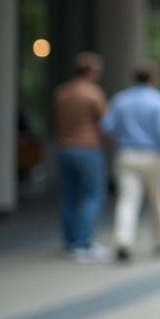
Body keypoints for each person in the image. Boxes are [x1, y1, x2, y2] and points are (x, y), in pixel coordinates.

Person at [100, 60, 160, 261]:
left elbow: (107, 127)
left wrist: (119, 142)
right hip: (153, 156)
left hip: (126, 154)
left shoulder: (120, 100)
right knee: (158, 199)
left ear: (133, 78)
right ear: (153, 79)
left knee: (127, 200)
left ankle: (123, 240)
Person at [52, 52, 110, 262]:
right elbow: (105, 122)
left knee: (68, 196)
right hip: (87, 148)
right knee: (93, 195)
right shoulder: (93, 93)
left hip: (64, 148)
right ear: (92, 71)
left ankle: (69, 241)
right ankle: (83, 243)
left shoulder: (61, 92)